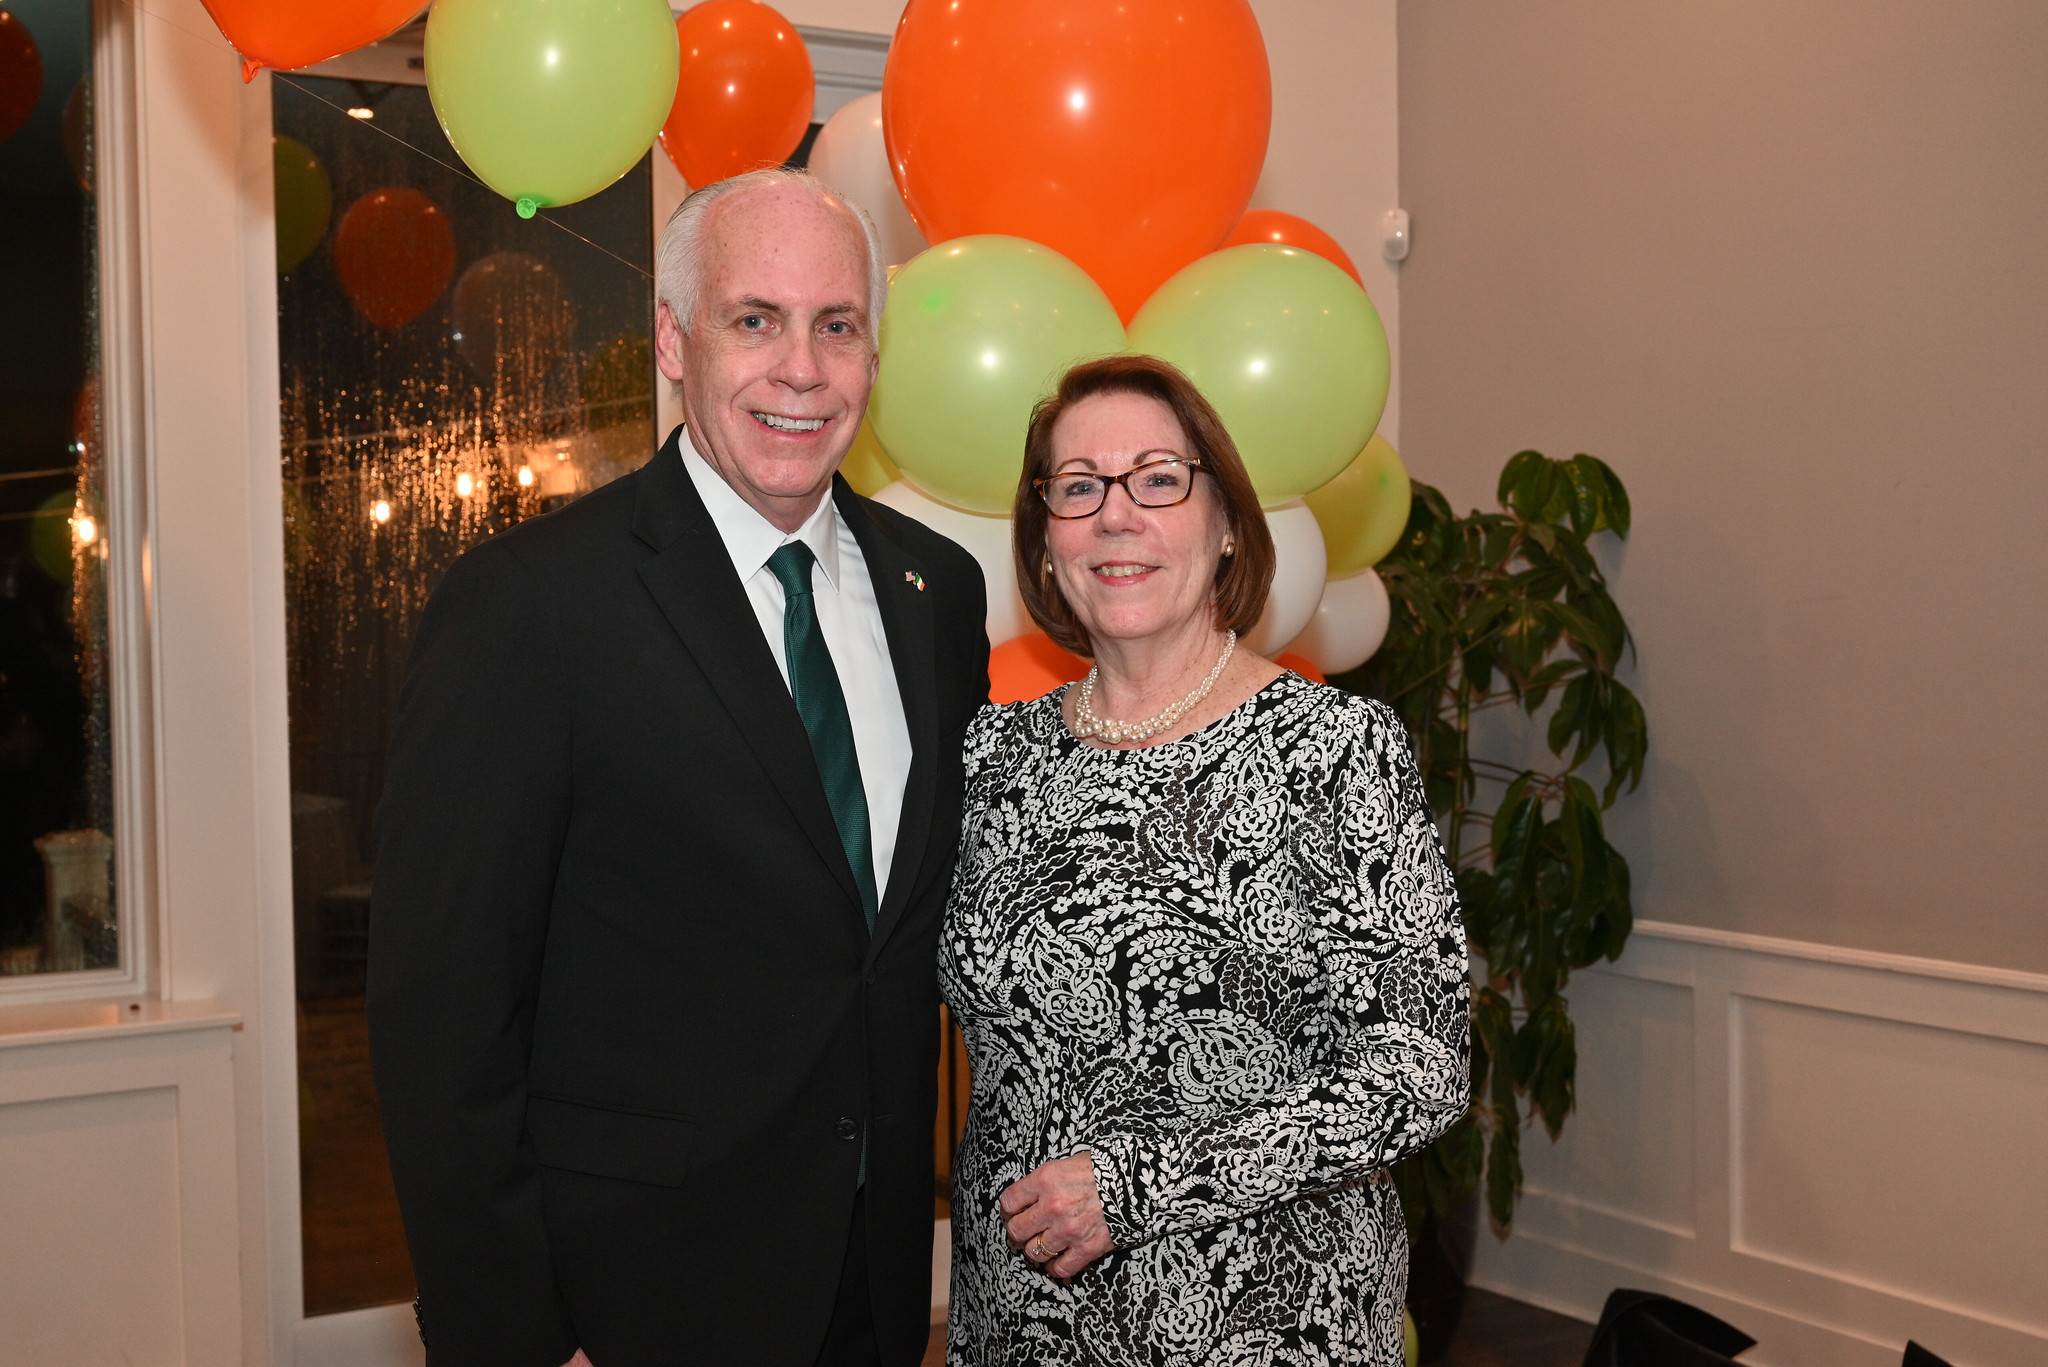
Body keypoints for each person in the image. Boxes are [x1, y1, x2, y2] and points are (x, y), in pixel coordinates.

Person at [369, 168, 989, 1367]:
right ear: (672, 339)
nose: (800, 369)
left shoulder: (936, 592)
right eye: (755, 319)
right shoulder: (528, 607)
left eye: (836, 325)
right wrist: (517, 1333)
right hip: (628, 1301)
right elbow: (441, 1015)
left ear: (872, 354)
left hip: (871, 1288)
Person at [939, 355, 1471, 1366]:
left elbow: (1420, 1070)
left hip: (1266, 1318)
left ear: (1225, 521)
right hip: (1020, 1321)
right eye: (1078, 486)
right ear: (1045, 538)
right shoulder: (992, 757)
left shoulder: (1333, 749)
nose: (1115, 515)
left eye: (1157, 479)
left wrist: (1141, 1185)